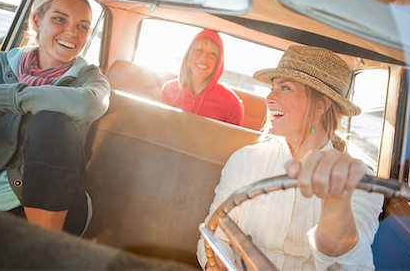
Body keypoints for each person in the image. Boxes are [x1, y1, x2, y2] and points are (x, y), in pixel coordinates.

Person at [196, 45, 384, 270]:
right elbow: (214, 236)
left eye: (284, 88)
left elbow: (351, 264)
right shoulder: (245, 160)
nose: (269, 97)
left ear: (322, 105)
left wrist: (335, 202)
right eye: (272, 87)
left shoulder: (360, 181)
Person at [0, 0, 110, 234]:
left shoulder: (89, 78)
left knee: (51, 123)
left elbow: (90, 103)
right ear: (38, 21)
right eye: (60, 19)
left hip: (47, 207)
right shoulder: (1, 64)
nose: (72, 33)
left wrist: (3, 98)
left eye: (83, 26)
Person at [162, 29, 244, 126]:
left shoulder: (232, 104)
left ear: (219, 62)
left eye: (213, 54)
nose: (203, 58)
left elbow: (233, 140)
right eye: (199, 50)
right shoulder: (168, 89)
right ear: (189, 54)